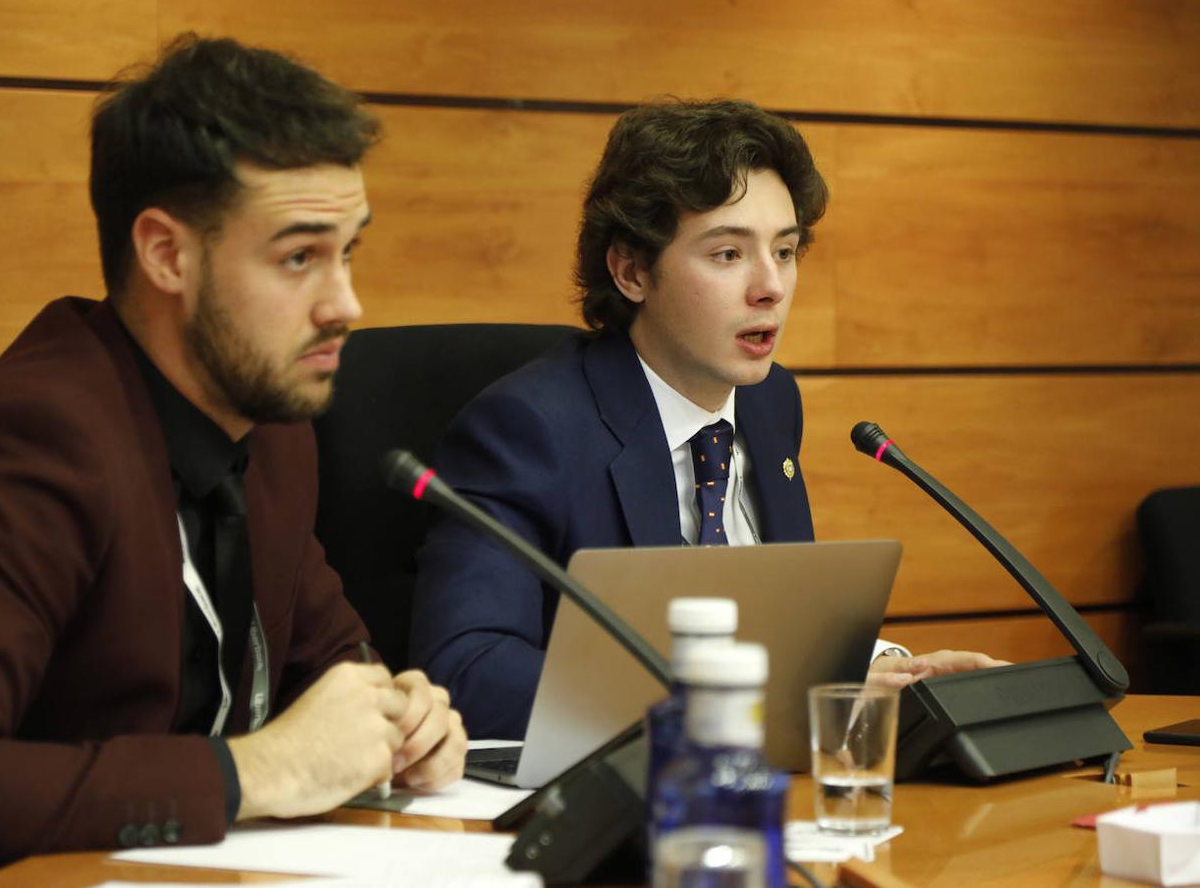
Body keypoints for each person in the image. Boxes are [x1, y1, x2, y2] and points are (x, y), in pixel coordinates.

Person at [0, 35, 465, 884]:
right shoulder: (31, 444)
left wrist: (403, 719)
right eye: (299, 257)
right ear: (167, 254)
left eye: (348, 249)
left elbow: (333, 664)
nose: (346, 303)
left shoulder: (272, 423)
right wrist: (260, 772)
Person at [409, 99, 1004, 739]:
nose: (770, 286)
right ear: (632, 270)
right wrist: (728, 703)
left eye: (786, 250)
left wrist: (884, 670)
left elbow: (768, 626)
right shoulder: (529, 428)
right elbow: (466, 669)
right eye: (728, 254)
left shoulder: (772, 402)